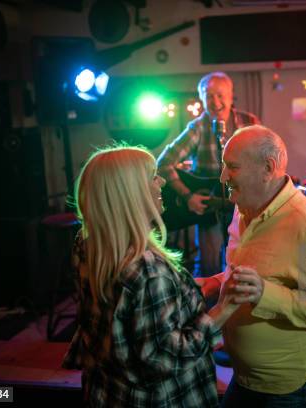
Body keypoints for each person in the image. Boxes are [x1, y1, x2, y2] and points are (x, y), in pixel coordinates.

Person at [61, 145, 240, 408]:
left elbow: (137, 310)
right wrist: (224, 310)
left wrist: (211, 283)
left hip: (107, 391)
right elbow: (164, 359)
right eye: (153, 176)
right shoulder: (149, 270)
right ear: (131, 195)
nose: (163, 182)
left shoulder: (90, 244)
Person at [209, 125, 306, 407]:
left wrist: (265, 294)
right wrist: (216, 281)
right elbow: (258, 269)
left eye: (232, 167)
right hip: (251, 377)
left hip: (292, 385)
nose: (223, 177)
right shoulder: (243, 207)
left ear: (267, 167)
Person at [157, 72, 260, 278]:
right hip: (210, 210)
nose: (215, 102)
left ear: (231, 96)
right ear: (202, 99)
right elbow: (163, 163)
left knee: (247, 262)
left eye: (220, 95)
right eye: (209, 96)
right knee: (210, 268)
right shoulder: (197, 127)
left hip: (244, 207)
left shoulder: (249, 122)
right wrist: (188, 196)